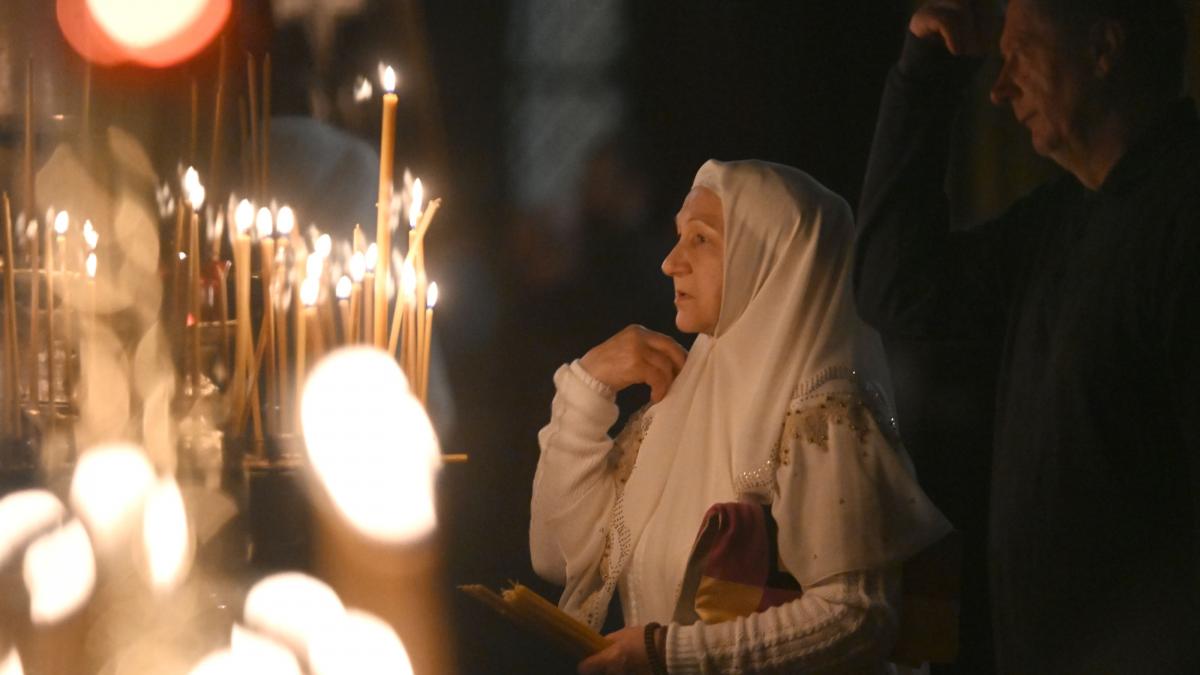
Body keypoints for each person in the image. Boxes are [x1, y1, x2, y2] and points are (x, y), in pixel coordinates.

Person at [854, 0, 1200, 672]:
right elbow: (899, 286)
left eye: (1021, 54)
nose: (999, 87)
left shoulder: (1184, 214)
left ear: (1103, 50)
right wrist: (925, 71)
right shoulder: (1062, 217)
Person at [530, 159, 952, 673]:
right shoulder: (685, 403)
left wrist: (667, 653)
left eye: (701, 239)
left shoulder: (826, 414)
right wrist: (587, 386)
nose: (671, 262)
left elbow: (857, 615)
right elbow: (559, 556)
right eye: (678, 237)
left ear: (769, 256)